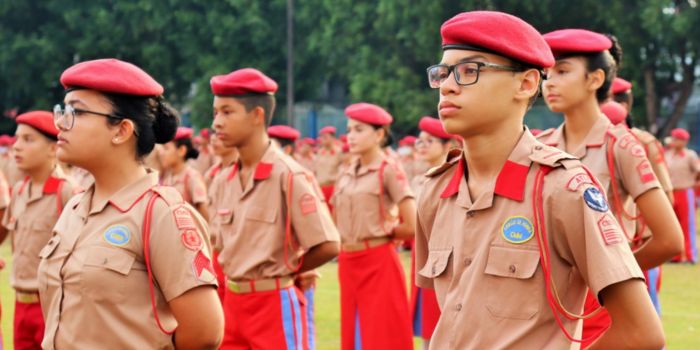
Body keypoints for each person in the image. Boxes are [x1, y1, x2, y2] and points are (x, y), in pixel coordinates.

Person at [415, 11, 665, 349]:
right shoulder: (436, 190)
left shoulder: (561, 188)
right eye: (442, 73)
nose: (447, 85)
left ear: (526, 83)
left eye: (469, 71)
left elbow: (641, 333)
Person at [39, 58, 223, 349]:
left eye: (76, 111)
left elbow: (204, 333)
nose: (60, 122)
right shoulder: (74, 209)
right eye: (62, 110)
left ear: (121, 130)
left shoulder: (161, 214)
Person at [540, 29, 683, 344]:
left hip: (601, 300)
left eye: (562, 71)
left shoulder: (621, 145)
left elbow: (670, 239)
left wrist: (609, 278)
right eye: (546, 73)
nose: (549, 82)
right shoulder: (542, 146)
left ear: (594, 79)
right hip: (551, 296)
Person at [210, 67, 340, 350]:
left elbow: (328, 244)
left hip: (273, 302)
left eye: (227, 112)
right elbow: (218, 247)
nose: (217, 122)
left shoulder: (288, 175)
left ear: (257, 116)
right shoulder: (223, 180)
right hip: (232, 303)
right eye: (215, 113)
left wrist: (289, 269)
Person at [332, 102, 416, 350]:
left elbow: (412, 224)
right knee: (354, 333)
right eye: (349, 130)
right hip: (348, 262)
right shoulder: (346, 171)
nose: (351, 136)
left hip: (378, 262)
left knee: (382, 334)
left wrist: (386, 232)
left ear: (379, 134)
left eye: (359, 130)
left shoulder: (388, 169)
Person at [0, 111, 77, 350]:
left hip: (52, 306)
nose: (16, 147)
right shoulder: (20, 190)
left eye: (28, 140)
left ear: (53, 149)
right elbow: (4, 232)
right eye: (17, 139)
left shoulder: (67, 193)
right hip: (20, 304)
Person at [409, 116, 453, 349]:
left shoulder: (455, 177)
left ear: (447, 146)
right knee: (427, 327)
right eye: (420, 141)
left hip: (445, 258)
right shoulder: (421, 180)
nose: (422, 145)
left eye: (429, 141)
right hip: (423, 256)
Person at [205, 136, 239, 302]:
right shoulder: (211, 174)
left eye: (219, 136)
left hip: (233, 250)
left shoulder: (243, 172)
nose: (214, 139)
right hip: (214, 248)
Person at [665, 128, 699, 263]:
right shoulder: (667, 155)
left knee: (687, 224)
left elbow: (698, 171)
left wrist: (694, 182)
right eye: (673, 138)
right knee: (673, 225)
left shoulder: (690, 155)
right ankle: (676, 255)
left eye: (676, 139)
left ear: (684, 141)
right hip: (671, 192)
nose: (673, 141)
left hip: (685, 191)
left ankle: (690, 256)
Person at [159, 127, 209, 219]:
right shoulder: (168, 176)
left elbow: (204, 213)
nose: (162, 153)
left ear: (181, 150)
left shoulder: (191, 177)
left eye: (166, 148)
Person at [315, 126, 343, 209]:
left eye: (325, 137)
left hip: (333, 188)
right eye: (321, 137)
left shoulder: (339, 152)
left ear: (333, 138)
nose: (322, 139)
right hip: (320, 188)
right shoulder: (320, 152)